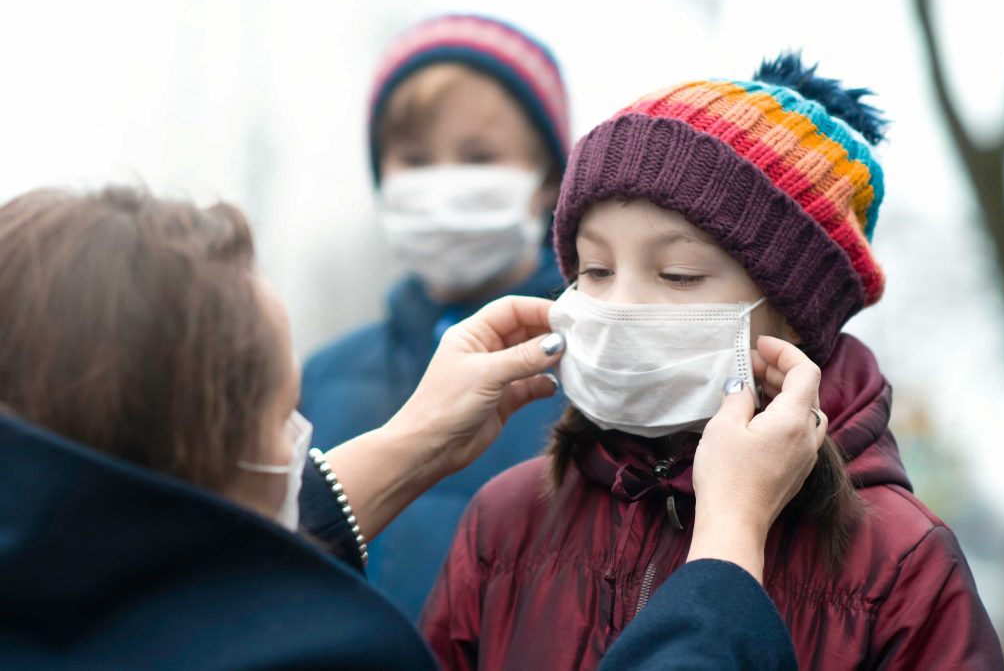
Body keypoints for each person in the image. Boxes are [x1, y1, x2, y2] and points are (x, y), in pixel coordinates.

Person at [0, 184, 821, 670]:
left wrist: (408, 445)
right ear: (180, 457)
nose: (302, 435)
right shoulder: (330, 651)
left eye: (678, 274)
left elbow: (152, 571)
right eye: (278, 412)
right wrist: (725, 551)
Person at [420, 55, 1004, 670]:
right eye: (594, 270)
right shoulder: (506, 520)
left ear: (792, 317)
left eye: (679, 274)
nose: (618, 306)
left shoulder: (899, 563)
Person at [301, 13, 572, 618]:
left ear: (550, 178)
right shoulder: (319, 379)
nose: (444, 186)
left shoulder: (601, 378)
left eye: (478, 158)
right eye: (416, 162)